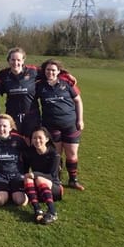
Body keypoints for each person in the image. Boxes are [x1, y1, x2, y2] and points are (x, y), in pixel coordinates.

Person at [36, 59, 85, 190]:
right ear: (44, 71)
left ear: (59, 71)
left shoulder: (68, 82)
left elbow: (78, 101)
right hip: (51, 126)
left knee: (72, 153)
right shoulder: (39, 85)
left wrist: (80, 120)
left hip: (70, 124)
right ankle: (55, 179)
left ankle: (73, 180)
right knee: (56, 154)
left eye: (53, 70)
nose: (50, 72)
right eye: (48, 70)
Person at [0, 47, 40, 141]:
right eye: (13, 60)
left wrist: (65, 75)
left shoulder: (33, 71)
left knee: (30, 144)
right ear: (9, 61)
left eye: (18, 60)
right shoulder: (3, 74)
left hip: (31, 115)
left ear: (23, 60)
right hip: (12, 116)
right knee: (14, 143)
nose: (16, 63)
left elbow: (51, 70)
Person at [0, 114, 28, 207]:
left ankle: (15, 190)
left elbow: (27, 157)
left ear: (11, 127)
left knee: (20, 201)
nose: (1, 129)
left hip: (16, 174)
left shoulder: (19, 140)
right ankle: (4, 190)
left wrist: (25, 174)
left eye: (4, 126)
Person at [23, 127, 63, 224]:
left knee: (39, 179)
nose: (37, 140)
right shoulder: (29, 153)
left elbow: (52, 176)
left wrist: (35, 174)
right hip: (38, 187)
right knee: (28, 179)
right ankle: (37, 210)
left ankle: (52, 212)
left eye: (40, 138)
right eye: (34, 138)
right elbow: (25, 171)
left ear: (47, 139)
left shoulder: (54, 155)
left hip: (54, 187)